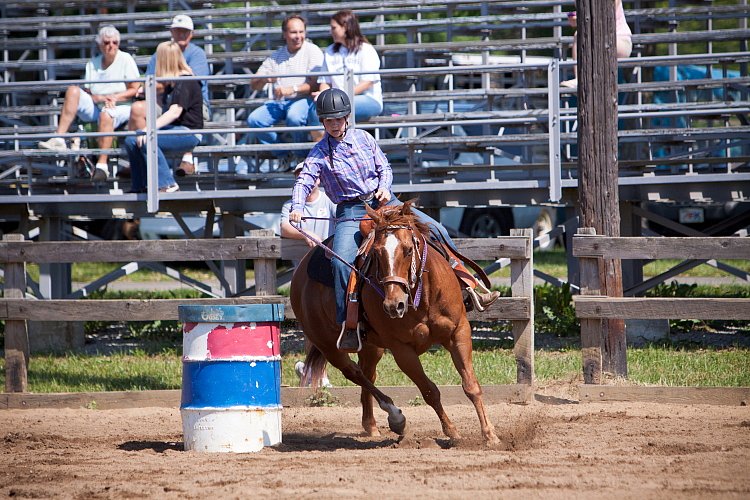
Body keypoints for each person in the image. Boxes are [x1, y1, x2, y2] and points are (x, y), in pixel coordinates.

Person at [289, 88, 500, 352]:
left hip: (386, 203)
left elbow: (383, 167)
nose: (334, 124)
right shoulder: (319, 153)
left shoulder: (365, 139)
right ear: (323, 122)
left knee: (436, 228)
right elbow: (304, 180)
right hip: (351, 212)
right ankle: (349, 323)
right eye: (328, 121)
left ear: (347, 118)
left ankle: (468, 286)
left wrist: (385, 187)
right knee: (342, 262)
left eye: (338, 119)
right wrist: (297, 206)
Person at [38, 25, 140, 181]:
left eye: (114, 42)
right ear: (100, 45)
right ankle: (59, 138)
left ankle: (102, 165)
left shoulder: (126, 59)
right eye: (106, 42)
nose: (111, 46)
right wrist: (98, 98)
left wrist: (115, 97)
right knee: (73, 90)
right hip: (97, 105)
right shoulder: (92, 63)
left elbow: (135, 89)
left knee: (107, 114)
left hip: (121, 106)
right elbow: (88, 92)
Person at [128, 14, 210, 175]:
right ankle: (140, 161)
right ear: (172, 32)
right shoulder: (162, 52)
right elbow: (150, 84)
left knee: (181, 111)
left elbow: (191, 85)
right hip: (166, 102)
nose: (181, 34)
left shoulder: (196, 54)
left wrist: (163, 82)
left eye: (185, 31)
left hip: (193, 107)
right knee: (138, 109)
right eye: (178, 30)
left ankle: (185, 160)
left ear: (191, 34)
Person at [245, 15, 324, 171]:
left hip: (304, 99)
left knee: (294, 116)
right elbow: (254, 85)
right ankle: (283, 154)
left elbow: (316, 83)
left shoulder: (312, 51)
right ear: (285, 34)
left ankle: (301, 156)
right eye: (294, 32)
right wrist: (263, 79)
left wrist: (293, 89)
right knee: (254, 120)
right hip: (280, 102)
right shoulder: (277, 55)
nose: (298, 36)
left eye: (301, 32)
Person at [122, 41, 203, 193]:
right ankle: (140, 185)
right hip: (174, 129)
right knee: (131, 141)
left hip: (189, 132)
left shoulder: (185, 81)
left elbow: (175, 112)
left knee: (148, 139)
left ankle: (168, 183)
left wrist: (148, 129)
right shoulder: (172, 83)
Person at [312, 10, 383, 124]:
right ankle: (323, 142)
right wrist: (323, 96)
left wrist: (340, 99)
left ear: (345, 27)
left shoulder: (366, 49)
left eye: (334, 28)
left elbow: (368, 81)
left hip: (369, 99)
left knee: (334, 110)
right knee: (315, 111)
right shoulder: (330, 51)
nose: (331, 32)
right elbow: (325, 82)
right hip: (337, 101)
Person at [561, 0, 633, 88]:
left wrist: (581, 19)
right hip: (599, 40)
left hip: (620, 40)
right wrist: (577, 19)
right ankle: (580, 78)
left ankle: (584, 79)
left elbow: (604, 17)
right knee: (580, 34)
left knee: (586, 35)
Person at [280, 161, 337, 257]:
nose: (304, 181)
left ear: (318, 180)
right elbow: (284, 228)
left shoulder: (330, 199)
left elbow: (343, 221)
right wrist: (306, 234)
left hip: (327, 259)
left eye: (309, 177)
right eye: (300, 177)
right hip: (300, 264)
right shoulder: (289, 205)